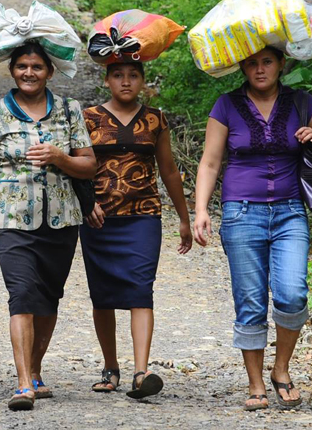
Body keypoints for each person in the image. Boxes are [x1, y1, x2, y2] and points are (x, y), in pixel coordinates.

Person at [0, 42, 102, 411]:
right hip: (11, 220)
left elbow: (89, 165)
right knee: (22, 295)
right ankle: (23, 385)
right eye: (21, 66)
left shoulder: (69, 111)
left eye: (36, 66)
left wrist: (59, 157)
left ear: (49, 71)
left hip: (62, 218)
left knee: (49, 297)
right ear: (12, 70)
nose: (29, 73)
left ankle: (35, 370)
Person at [191, 46, 312, 411]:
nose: (260, 70)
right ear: (242, 67)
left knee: (292, 294)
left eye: (267, 62)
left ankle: (281, 368)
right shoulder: (226, 106)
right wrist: (201, 211)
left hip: (291, 212)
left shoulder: (301, 102)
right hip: (241, 214)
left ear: (281, 65)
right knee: (250, 301)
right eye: (252, 63)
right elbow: (210, 163)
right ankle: (256, 383)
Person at [82, 61, 193, 399]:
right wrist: (87, 204)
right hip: (98, 218)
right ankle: (110, 366)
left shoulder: (155, 118)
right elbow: (77, 166)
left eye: (133, 76)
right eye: (118, 75)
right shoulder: (87, 118)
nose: (126, 82)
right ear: (106, 80)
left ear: (143, 81)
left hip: (144, 216)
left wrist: (184, 218)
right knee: (102, 295)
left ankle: (140, 373)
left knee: (141, 289)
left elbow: (169, 171)